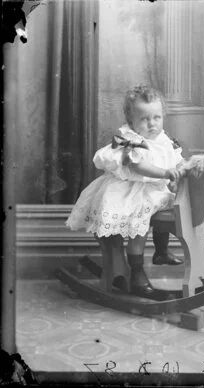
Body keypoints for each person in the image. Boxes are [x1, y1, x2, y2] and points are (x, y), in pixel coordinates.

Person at [66, 85, 183, 298]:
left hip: (154, 188)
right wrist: (166, 173)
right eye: (144, 119)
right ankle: (137, 274)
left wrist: (175, 176)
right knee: (139, 224)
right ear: (131, 122)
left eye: (157, 117)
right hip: (130, 190)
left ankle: (161, 250)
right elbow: (140, 167)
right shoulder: (132, 140)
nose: (152, 124)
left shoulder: (163, 139)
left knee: (172, 203)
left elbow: (174, 160)